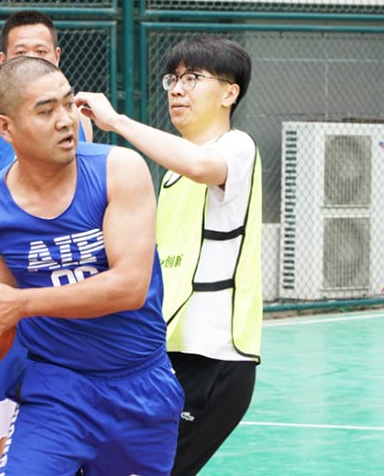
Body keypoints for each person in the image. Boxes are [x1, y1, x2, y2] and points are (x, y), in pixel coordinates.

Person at [0, 56, 183, 476]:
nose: (65, 120)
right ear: (5, 128)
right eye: (46, 111)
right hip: (56, 387)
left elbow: (129, 286)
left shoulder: (118, 170)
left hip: (139, 383)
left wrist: (20, 305)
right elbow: (6, 283)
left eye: (69, 104)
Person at [75, 36, 262, 475]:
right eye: (172, 79)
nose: (177, 89)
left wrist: (116, 122)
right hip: (165, 352)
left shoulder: (237, 147)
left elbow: (201, 165)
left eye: (192, 78)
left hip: (214, 356)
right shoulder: (172, 178)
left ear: (229, 93)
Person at [0, 9, 93, 476]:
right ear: (1, 60)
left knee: (81, 428)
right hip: (3, 290)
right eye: (20, 51)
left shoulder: (75, 119)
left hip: (66, 291)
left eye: (41, 51)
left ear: (57, 57)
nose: (31, 57)